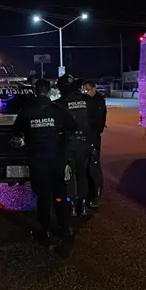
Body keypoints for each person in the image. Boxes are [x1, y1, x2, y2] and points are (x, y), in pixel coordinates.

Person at [15, 79, 77, 244]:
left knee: (43, 196)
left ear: (35, 91)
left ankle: (45, 230)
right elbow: (72, 126)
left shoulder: (27, 111)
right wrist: (62, 140)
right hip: (56, 159)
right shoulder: (58, 110)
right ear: (49, 91)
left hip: (38, 160)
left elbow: (17, 131)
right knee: (60, 194)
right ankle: (65, 227)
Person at [54, 74, 93, 217]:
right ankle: (82, 205)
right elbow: (96, 121)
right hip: (85, 143)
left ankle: (71, 206)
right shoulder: (87, 101)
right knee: (82, 173)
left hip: (68, 144)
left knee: (68, 176)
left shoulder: (59, 105)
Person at [82, 80, 107, 207]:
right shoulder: (85, 99)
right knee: (85, 166)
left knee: (94, 166)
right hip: (87, 136)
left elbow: (100, 119)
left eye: (87, 89)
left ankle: (96, 195)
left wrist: (95, 132)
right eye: (84, 90)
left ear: (94, 88)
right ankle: (88, 194)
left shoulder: (99, 100)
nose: (86, 92)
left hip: (94, 136)